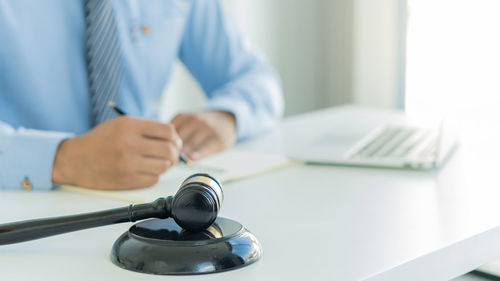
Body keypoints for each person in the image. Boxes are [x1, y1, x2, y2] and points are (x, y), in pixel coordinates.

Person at [0, 0, 283, 191]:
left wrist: (226, 116)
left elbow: (255, 77)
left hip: (146, 209)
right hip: (25, 212)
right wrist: (61, 159)